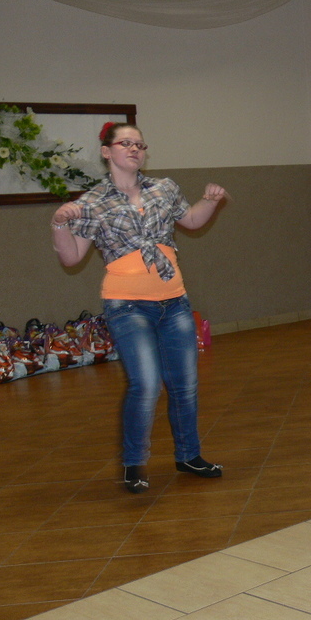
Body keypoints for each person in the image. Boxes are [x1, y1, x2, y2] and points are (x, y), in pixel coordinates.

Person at [50, 122, 226, 494]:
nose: (134, 149)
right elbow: (71, 257)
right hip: (127, 306)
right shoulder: (91, 202)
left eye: (140, 144)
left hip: (174, 301)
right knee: (145, 385)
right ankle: (134, 464)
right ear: (106, 151)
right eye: (125, 143)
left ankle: (189, 455)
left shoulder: (164, 188)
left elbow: (191, 220)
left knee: (185, 385)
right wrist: (59, 224)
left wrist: (210, 201)